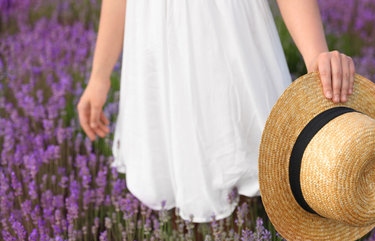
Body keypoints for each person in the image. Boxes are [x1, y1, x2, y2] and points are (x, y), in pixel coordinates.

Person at [77, 0, 355, 223]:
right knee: (173, 185)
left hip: (225, 52)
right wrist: (99, 76)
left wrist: (315, 55)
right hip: (157, 62)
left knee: (241, 180)